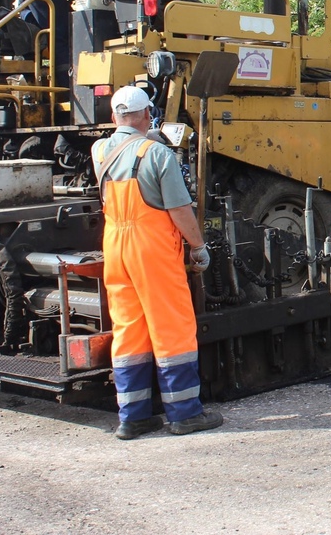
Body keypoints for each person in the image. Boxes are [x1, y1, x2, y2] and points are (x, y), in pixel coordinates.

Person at [92, 85, 222, 439]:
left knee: (129, 330)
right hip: (151, 249)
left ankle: (132, 418)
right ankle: (184, 413)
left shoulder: (100, 150)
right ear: (148, 114)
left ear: (113, 117)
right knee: (171, 328)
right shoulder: (158, 154)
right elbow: (179, 209)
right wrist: (197, 247)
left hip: (115, 247)